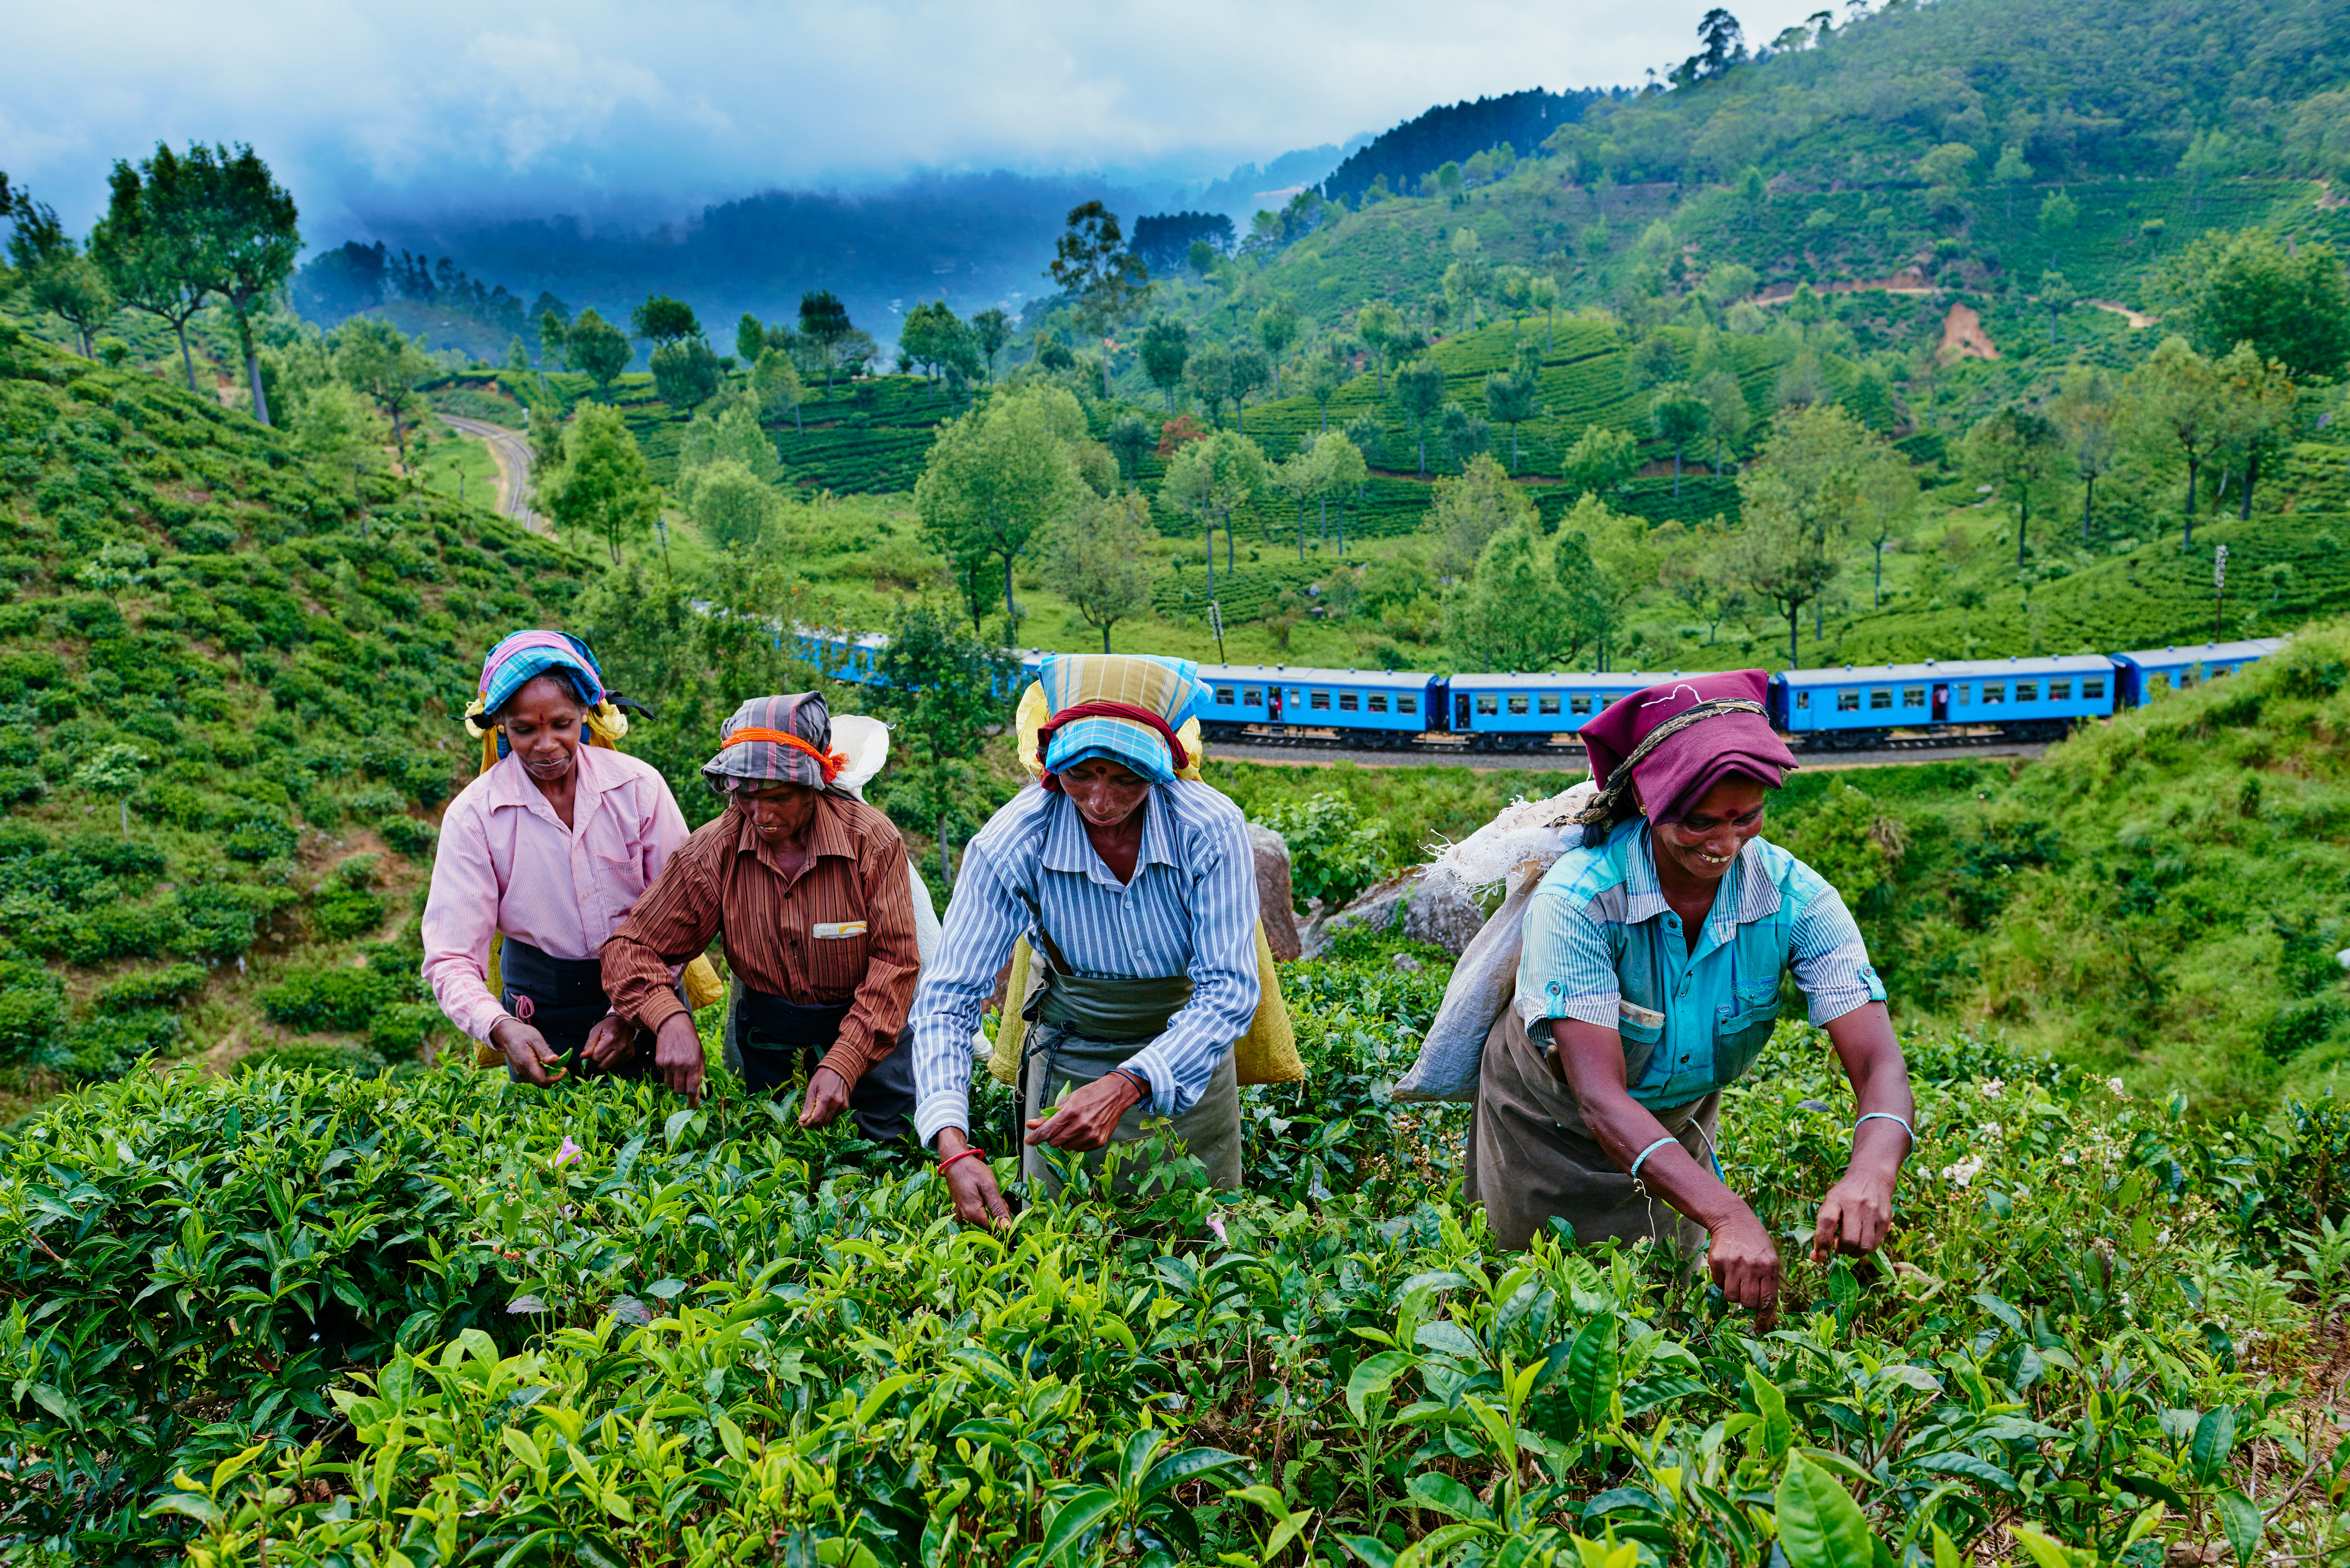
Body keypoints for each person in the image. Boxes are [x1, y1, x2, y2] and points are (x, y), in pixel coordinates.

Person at [1467, 669, 1915, 1327]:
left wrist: (1871, 1171)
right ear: (1648, 802)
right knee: (1534, 1314)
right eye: (1697, 821)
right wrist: (1727, 1212)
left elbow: (1878, 1065)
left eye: (1746, 816)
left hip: (1674, 1134)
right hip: (1544, 1136)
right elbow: (1600, 1096)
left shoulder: (1797, 899)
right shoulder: (1581, 901)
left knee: (1656, 1316)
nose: (1725, 842)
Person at [908, 653, 1261, 1227]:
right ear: (1052, 768)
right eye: (1081, 776)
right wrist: (953, 1146)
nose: (1101, 802)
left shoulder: (1209, 828)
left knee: (1197, 1248)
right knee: (1066, 1246)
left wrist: (1128, 1083)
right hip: (1071, 1055)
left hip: (1187, 1065)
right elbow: (948, 1000)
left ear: (1162, 770)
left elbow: (1228, 992)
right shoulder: (1015, 841)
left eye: (1127, 779)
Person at [601, 694, 922, 1134]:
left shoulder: (870, 841)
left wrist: (845, 1060)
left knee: (885, 1164)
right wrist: (669, 1017)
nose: (762, 814)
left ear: (814, 784)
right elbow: (631, 948)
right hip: (768, 1044)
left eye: (781, 797)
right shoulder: (715, 851)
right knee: (779, 1167)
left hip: (872, 1044)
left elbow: (895, 962)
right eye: (746, 796)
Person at [422, 630, 688, 1084]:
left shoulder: (637, 789)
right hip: (538, 1012)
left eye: (561, 724)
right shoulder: (475, 817)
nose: (545, 745)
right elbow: (451, 957)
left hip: (649, 998)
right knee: (554, 1149)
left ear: (586, 713)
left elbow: (680, 912)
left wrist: (630, 1012)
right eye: (525, 730)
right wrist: (502, 1027)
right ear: (503, 724)